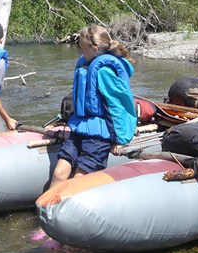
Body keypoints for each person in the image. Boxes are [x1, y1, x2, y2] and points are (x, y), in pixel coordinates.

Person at [49, 25, 137, 190]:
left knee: (78, 181)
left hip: (100, 134)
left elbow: (118, 107)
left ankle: (65, 211)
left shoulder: (104, 71)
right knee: (59, 173)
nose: (80, 53)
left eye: (82, 49)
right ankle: (47, 210)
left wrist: (120, 140)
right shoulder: (86, 65)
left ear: (95, 49)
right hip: (80, 127)